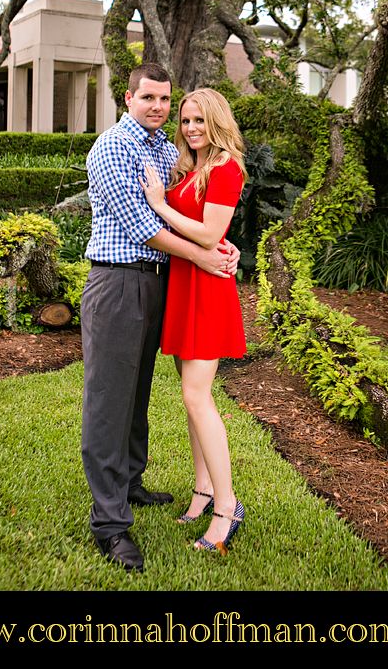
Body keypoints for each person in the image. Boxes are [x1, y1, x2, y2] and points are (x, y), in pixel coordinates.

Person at [81, 64, 240, 573]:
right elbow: (140, 224)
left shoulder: (166, 152)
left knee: (137, 393)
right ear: (127, 98)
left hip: (161, 283)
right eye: (147, 97)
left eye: (165, 99)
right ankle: (111, 524)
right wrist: (204, 254)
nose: (158, 107)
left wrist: (219, 243)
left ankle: (131, 483)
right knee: (109, 400)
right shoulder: (112, 147)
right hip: (119, 279)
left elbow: (200, 215)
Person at [140, 88, 247, 553]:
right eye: (185, 121)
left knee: (196, 396)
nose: (190, 128)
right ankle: (203, 490)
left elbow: (209, 232)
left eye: (199, 120)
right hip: (187, 285)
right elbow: (208, 233)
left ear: (217, 121)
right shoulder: (193, 167)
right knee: (190, 398)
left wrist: (161, 206)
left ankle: (227, 506)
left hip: (208, 292)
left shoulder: (226, 167)